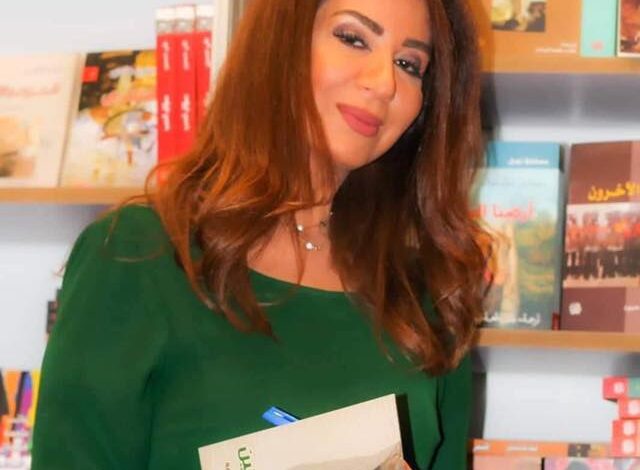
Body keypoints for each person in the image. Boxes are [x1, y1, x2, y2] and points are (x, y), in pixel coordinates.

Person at [31, 0, 488, 469]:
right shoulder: (137, 255)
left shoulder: (425, 295)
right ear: (279, 44)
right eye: (353, 38)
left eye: (409, 64)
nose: (384, 82)